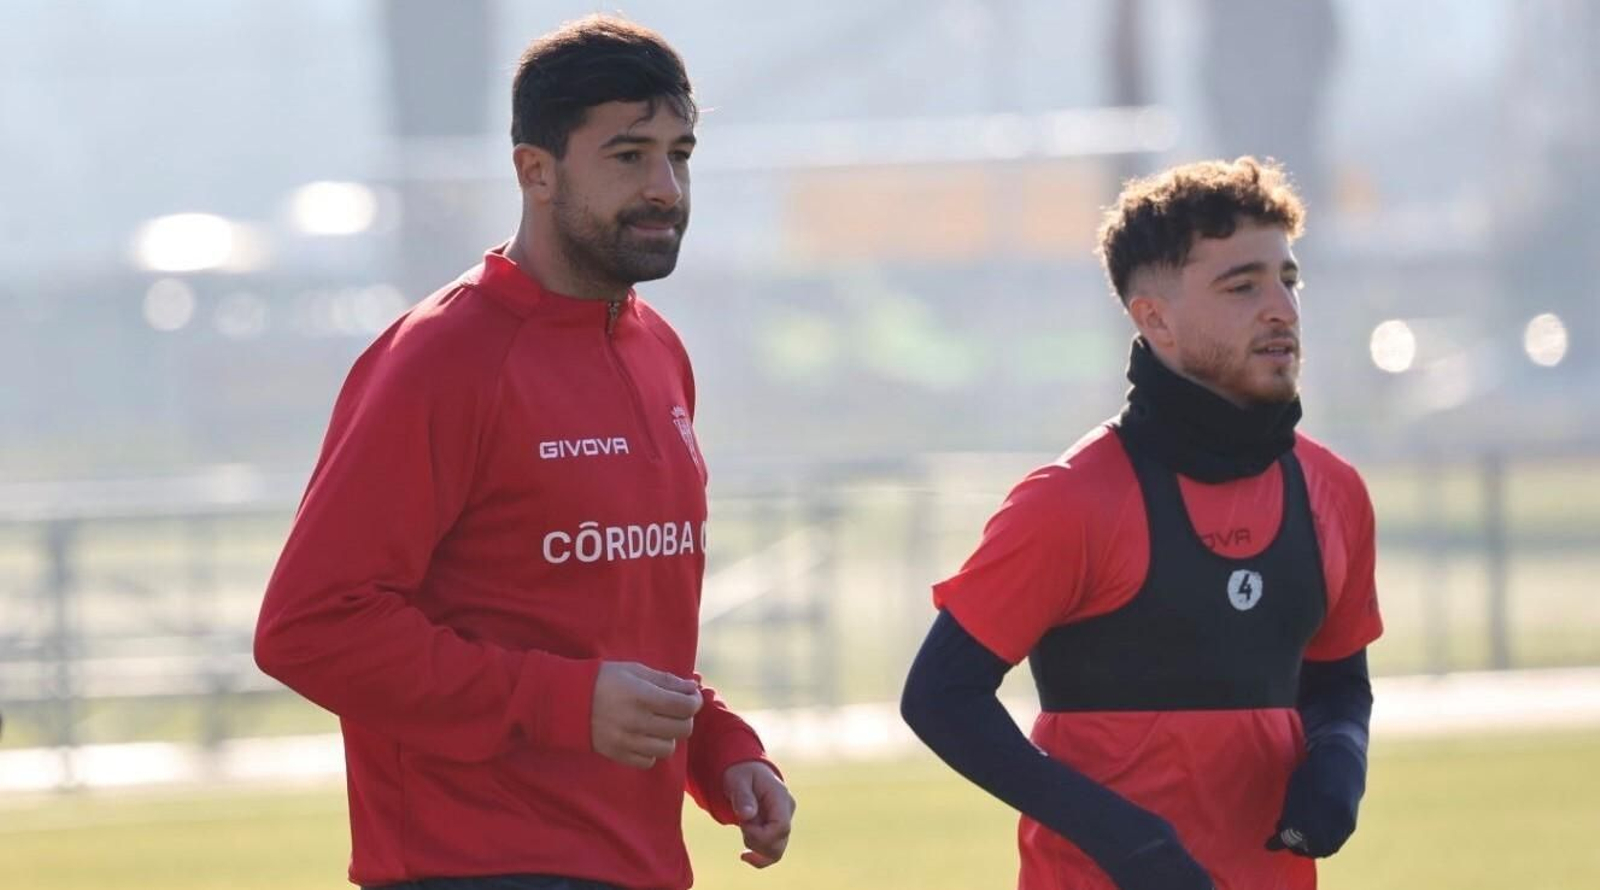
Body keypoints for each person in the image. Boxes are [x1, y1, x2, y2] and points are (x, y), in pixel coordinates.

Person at [255, 16, 794, 890]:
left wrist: (719, 748)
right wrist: (564, 705)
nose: (665, 187)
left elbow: (606, 625)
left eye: (680, 153)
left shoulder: (659, 351)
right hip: (469, 865)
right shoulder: (442, 358)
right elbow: (309, 628)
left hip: (639, 865)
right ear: (534, 171)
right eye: (628, 156)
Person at [901, 157, 1382, 890]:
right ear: (1154, 319)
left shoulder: (1335, 491)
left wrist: (1341, 751)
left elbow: (1338, 677)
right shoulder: (1070, 501)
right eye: (1242, 285)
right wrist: (1117, 837)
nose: (1281, 309)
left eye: (1288, 279)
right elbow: (940, 696)